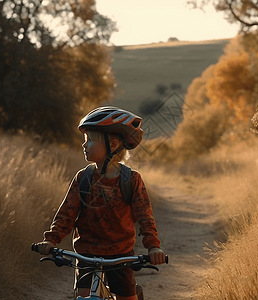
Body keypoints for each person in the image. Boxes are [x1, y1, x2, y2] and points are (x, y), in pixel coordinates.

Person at [34, 106, 165, 300]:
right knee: (84, 295)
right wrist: (51, 240)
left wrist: (153, 246)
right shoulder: (83, 178)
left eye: (89, 140)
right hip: (86, 252)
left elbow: (145, 216)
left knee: (126, 297)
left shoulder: (131, 180)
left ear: (112, 146)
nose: (83, 145)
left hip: (120, 254)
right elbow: (67, 213)